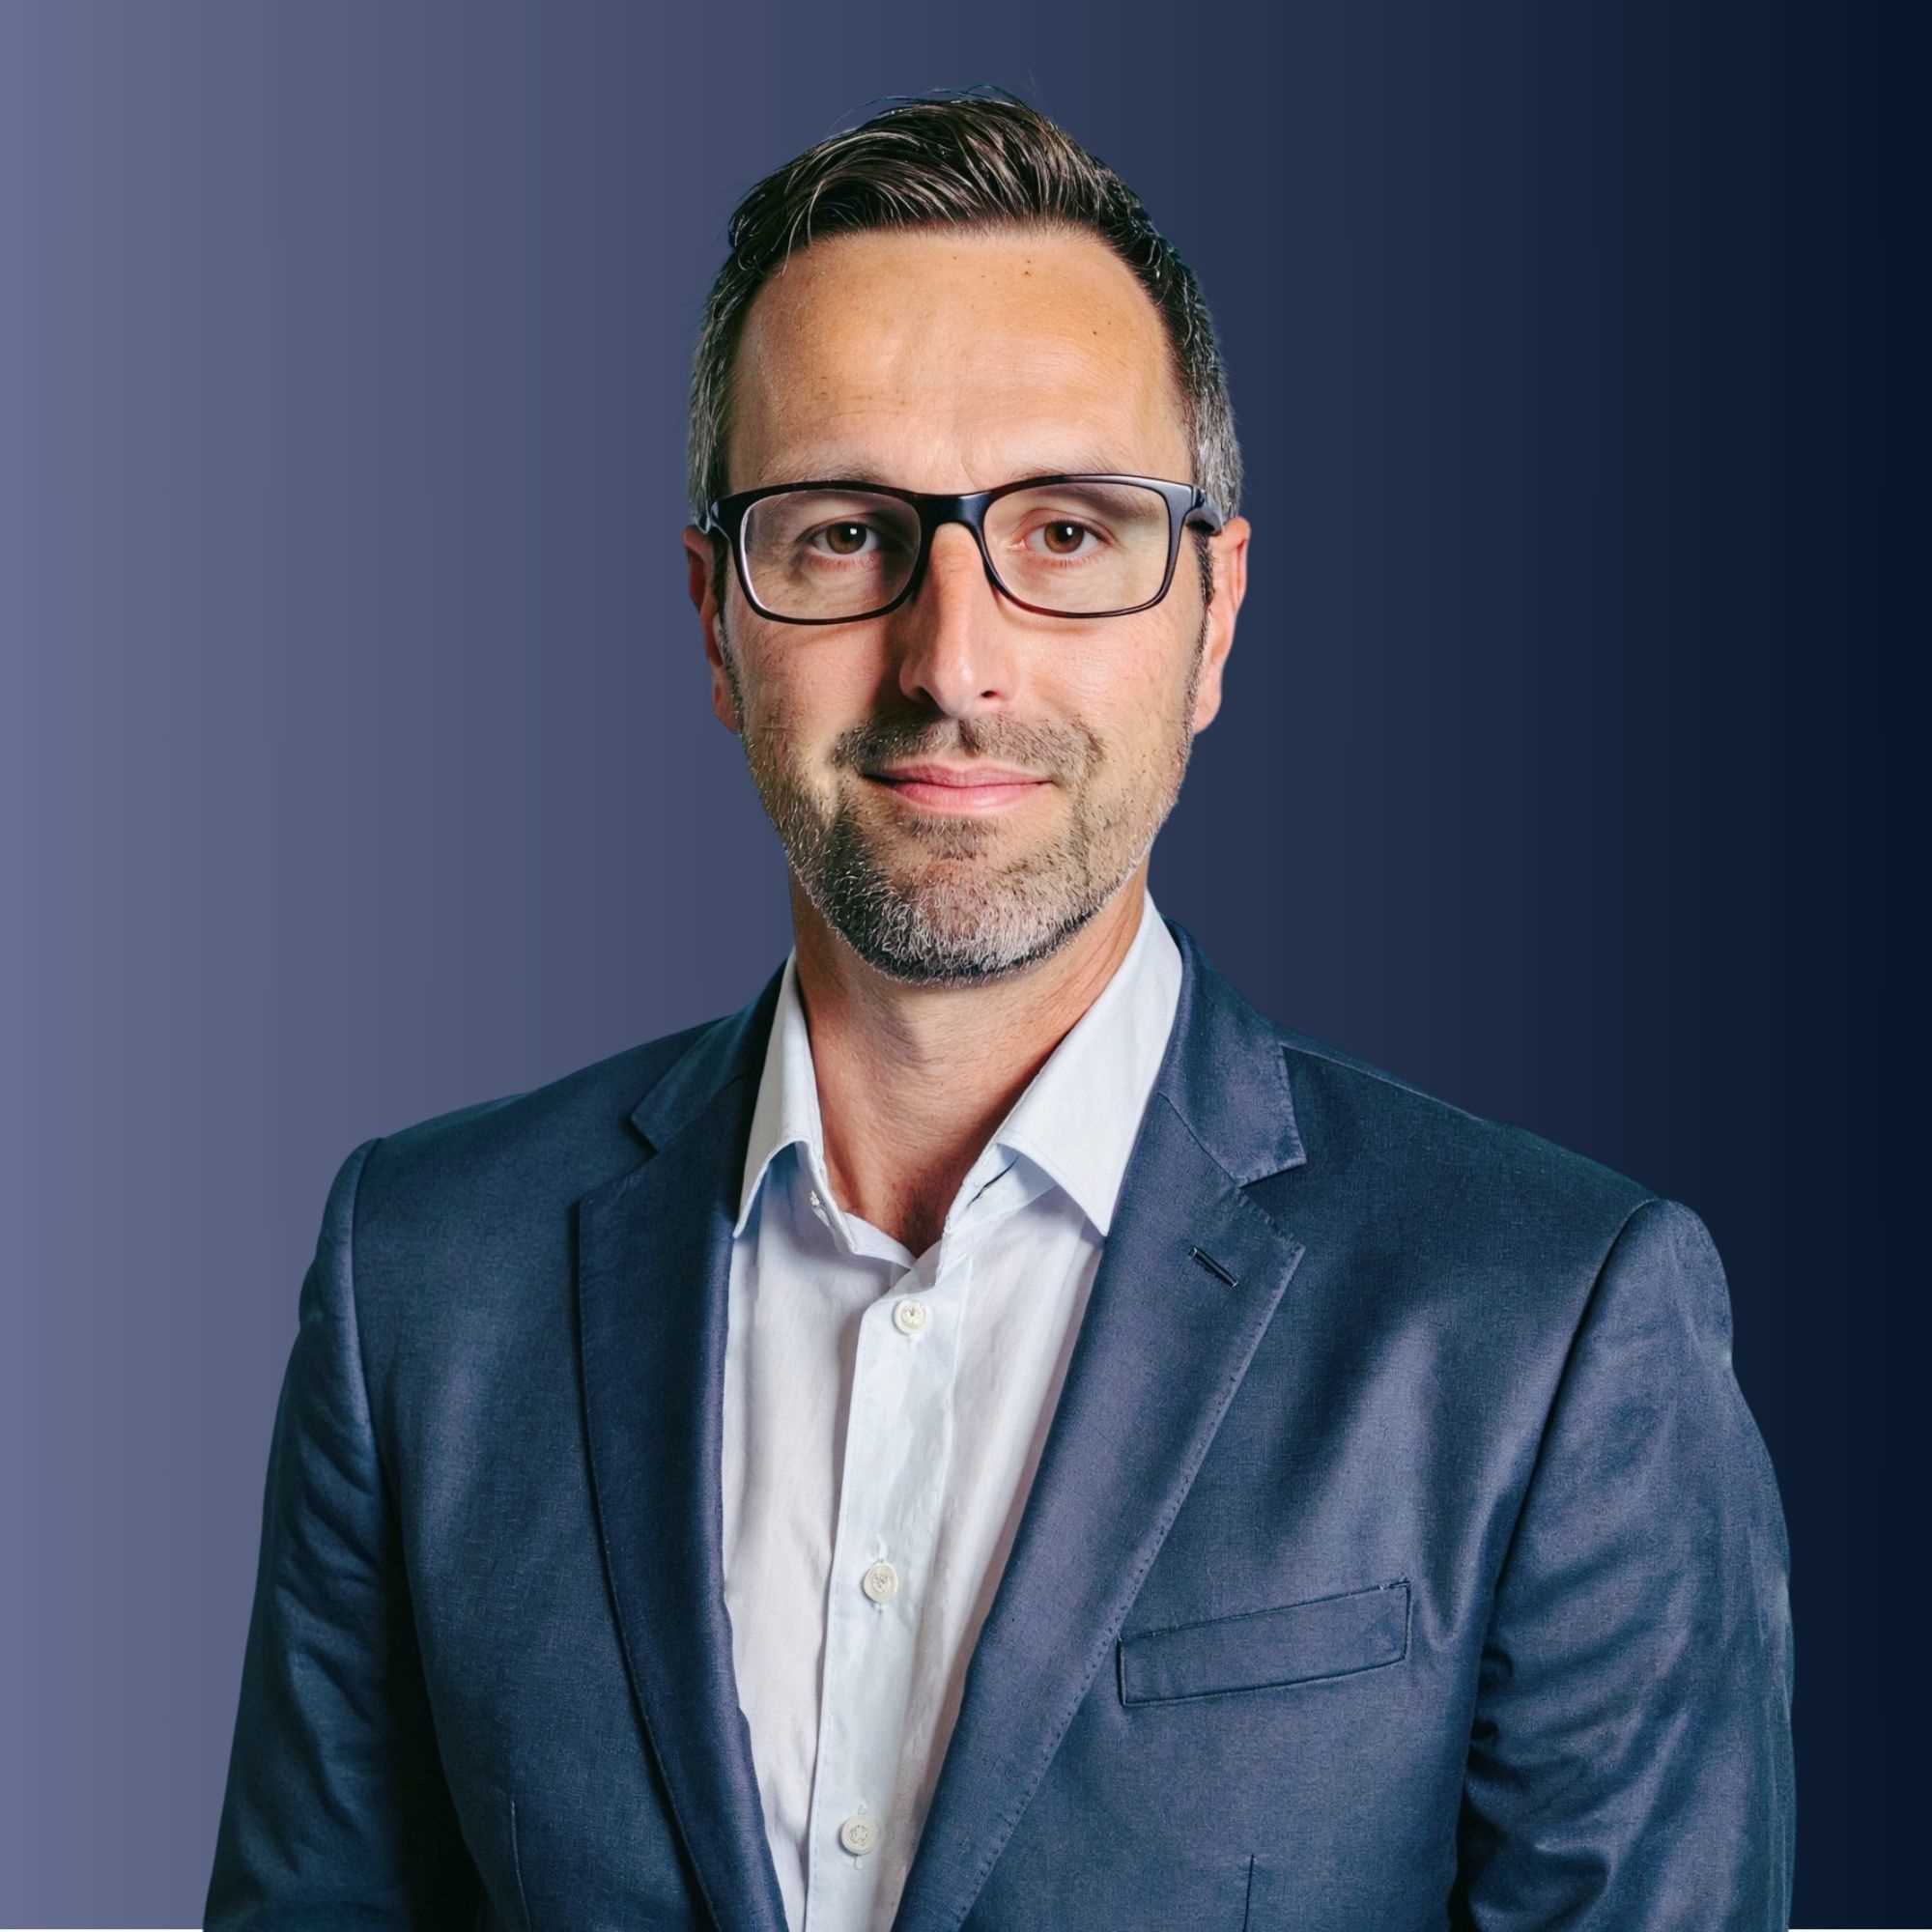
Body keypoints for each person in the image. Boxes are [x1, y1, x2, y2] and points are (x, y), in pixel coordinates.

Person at [205, 86, 1795, 1932]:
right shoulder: (422, 1280)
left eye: (1069, 531)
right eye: (839, 533)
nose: (953, 662)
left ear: (1212, 616)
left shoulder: (1549, 1326)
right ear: (715, 620)